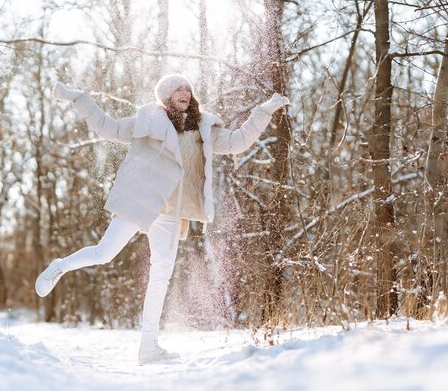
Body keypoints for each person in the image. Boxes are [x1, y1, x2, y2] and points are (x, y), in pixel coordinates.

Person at [36, 74, 289, 364]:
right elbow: (108, 127)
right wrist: (79, 98)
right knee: (104, 253)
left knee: (160, 276)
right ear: (166, 96)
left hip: (171, 212)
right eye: (178, 89)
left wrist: (264, 111)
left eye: (188, 89)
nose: (185, 92)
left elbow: (238, 141)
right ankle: (60, 266)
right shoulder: (149, 119)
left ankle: (149, 347)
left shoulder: (203, 127)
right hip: (141, 200)